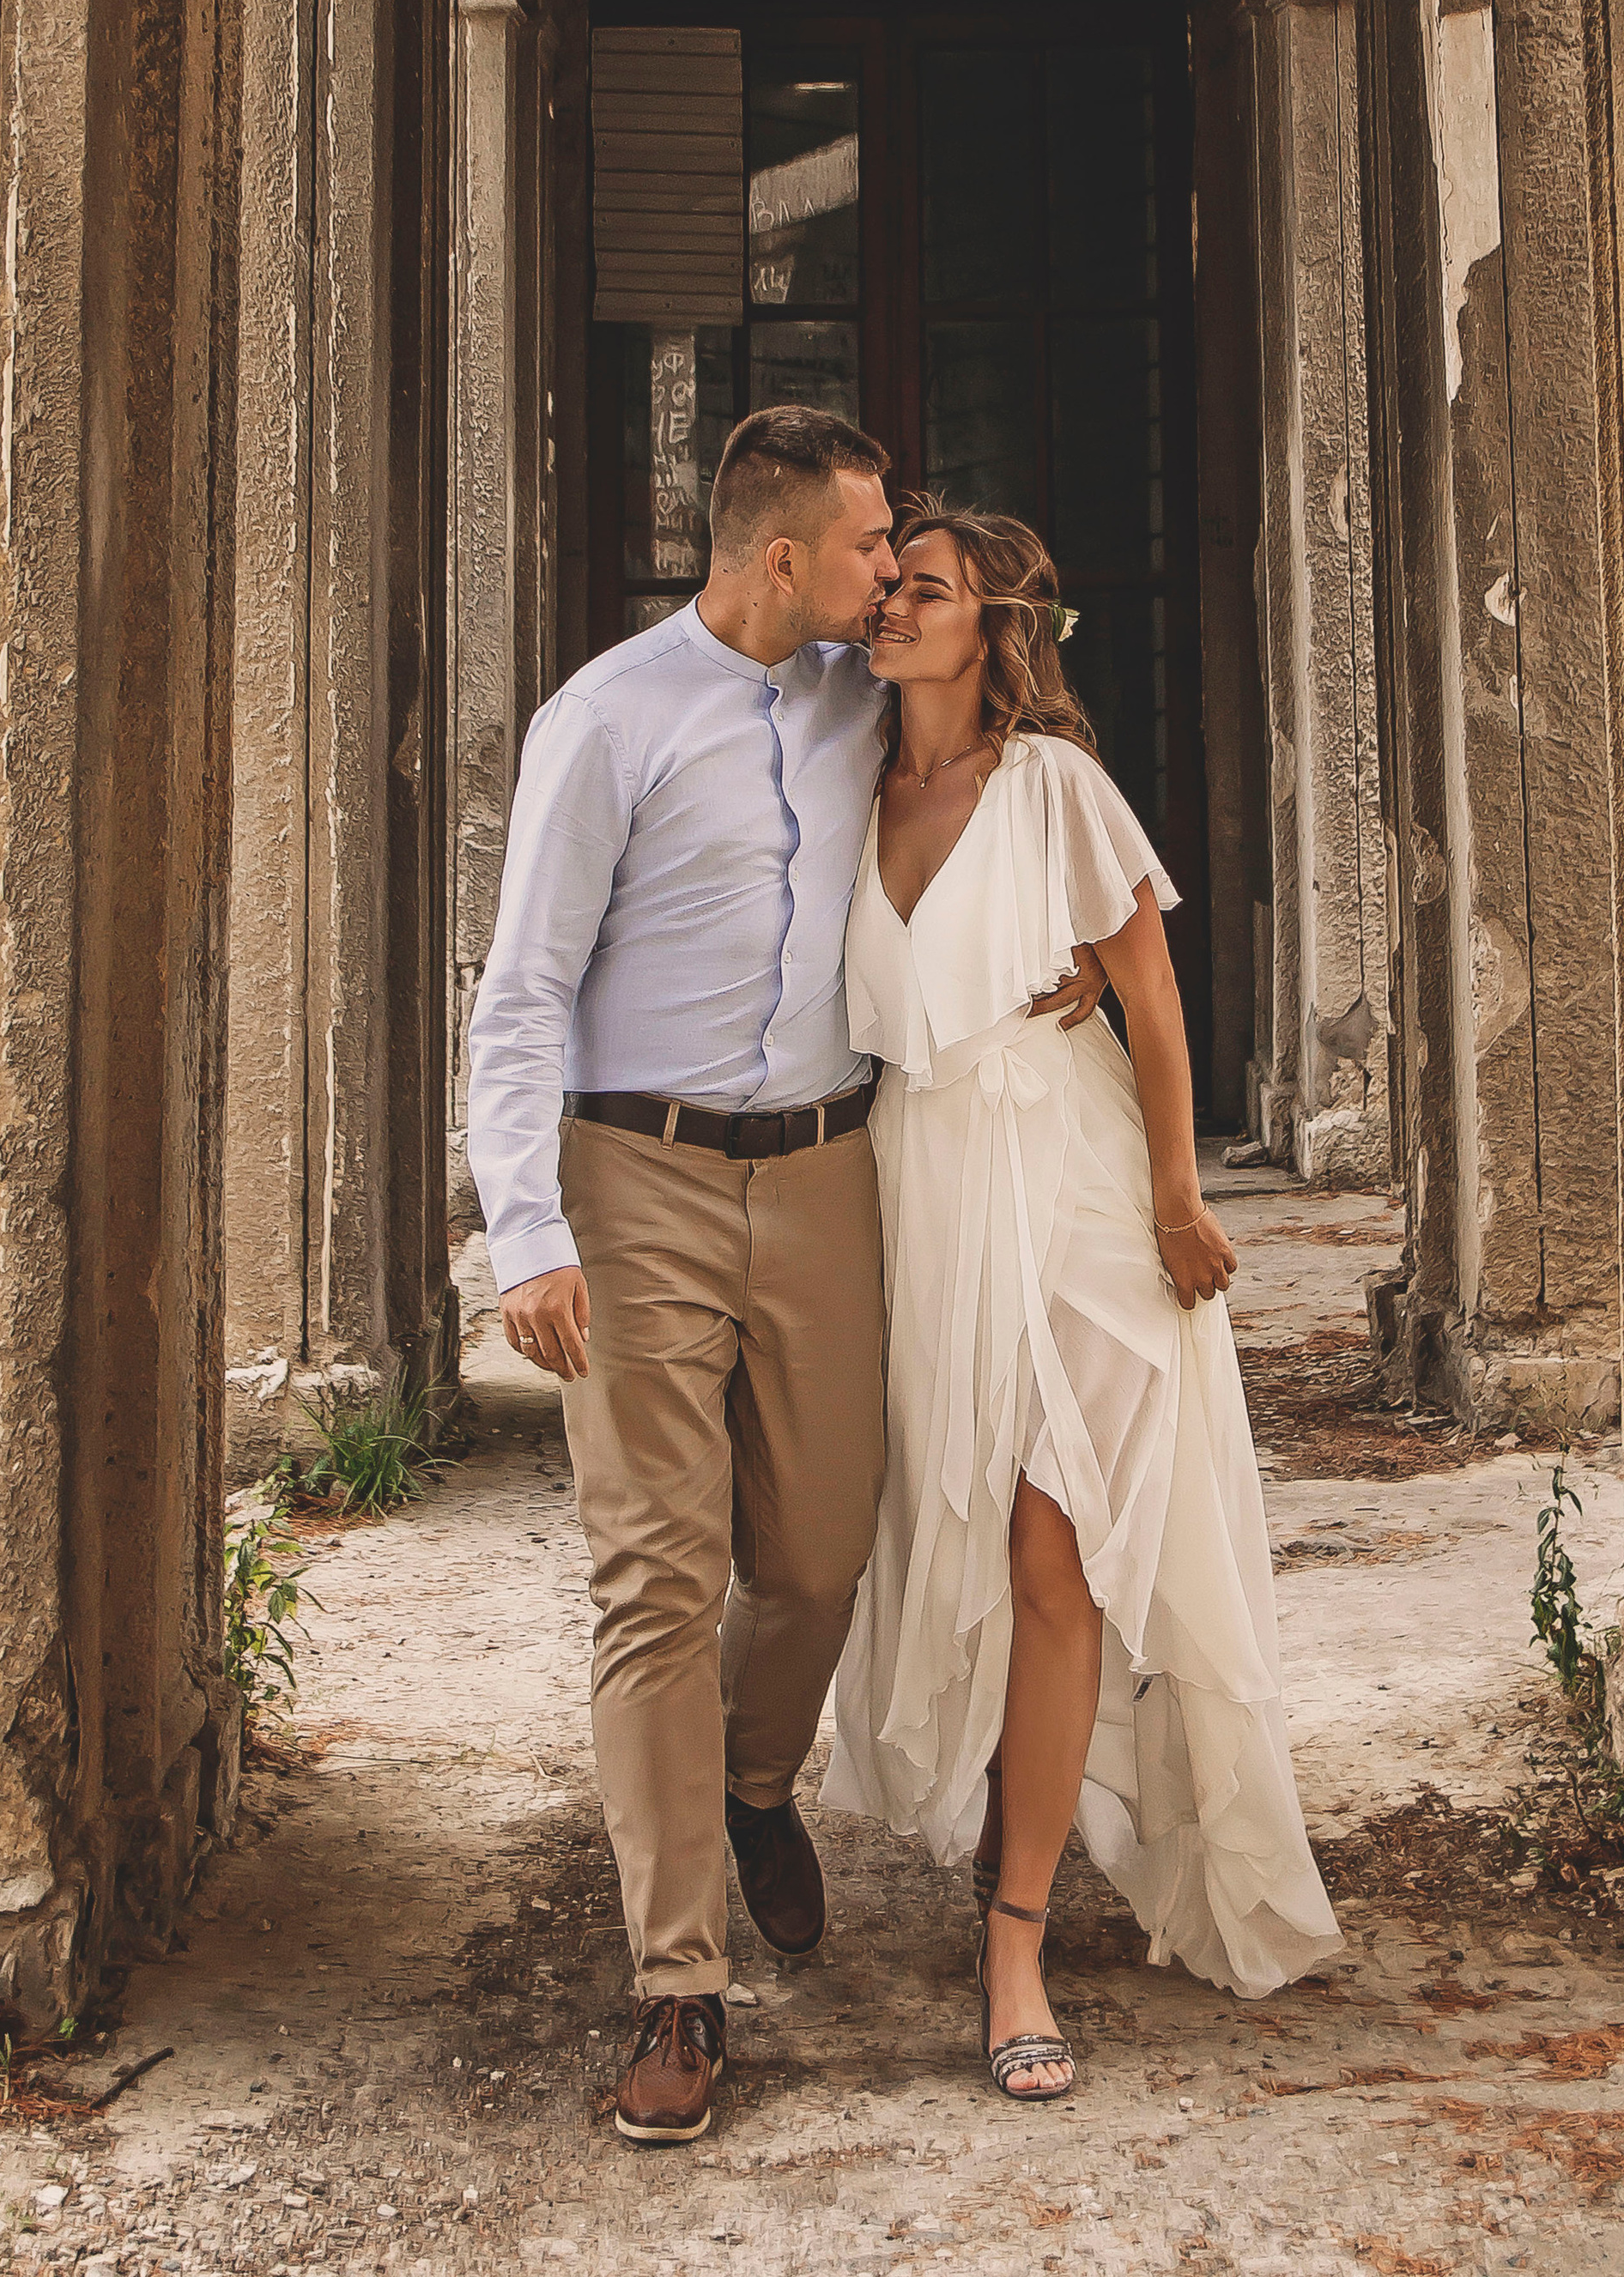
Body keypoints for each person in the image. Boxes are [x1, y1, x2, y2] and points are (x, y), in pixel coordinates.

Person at [464, 410, 1101, 2147]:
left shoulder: (858, 698)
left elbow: (1010, 751)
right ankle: (679, 1986)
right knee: (654, 1581)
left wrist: (1075, 952)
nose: (891, 569)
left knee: (819, 1554)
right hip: (636, 1178)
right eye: (870, 544)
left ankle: (755, 1784)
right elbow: (522, 988)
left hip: (827, 1173)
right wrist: (526, 1230)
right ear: (781, 558)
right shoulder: (605, 721)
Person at [821, 504, 1342, 2099]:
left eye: (923, 590)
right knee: (961, 1531)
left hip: (1072, 1183)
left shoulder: (1052, 785)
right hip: (917, 1186)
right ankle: (1005, 1828)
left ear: (995, 630)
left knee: (1061, 1550)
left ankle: (1018, 1940)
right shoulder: (836, 781)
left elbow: (1153, 996)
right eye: (888, 585)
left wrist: (1181, 1198)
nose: (890, 606)